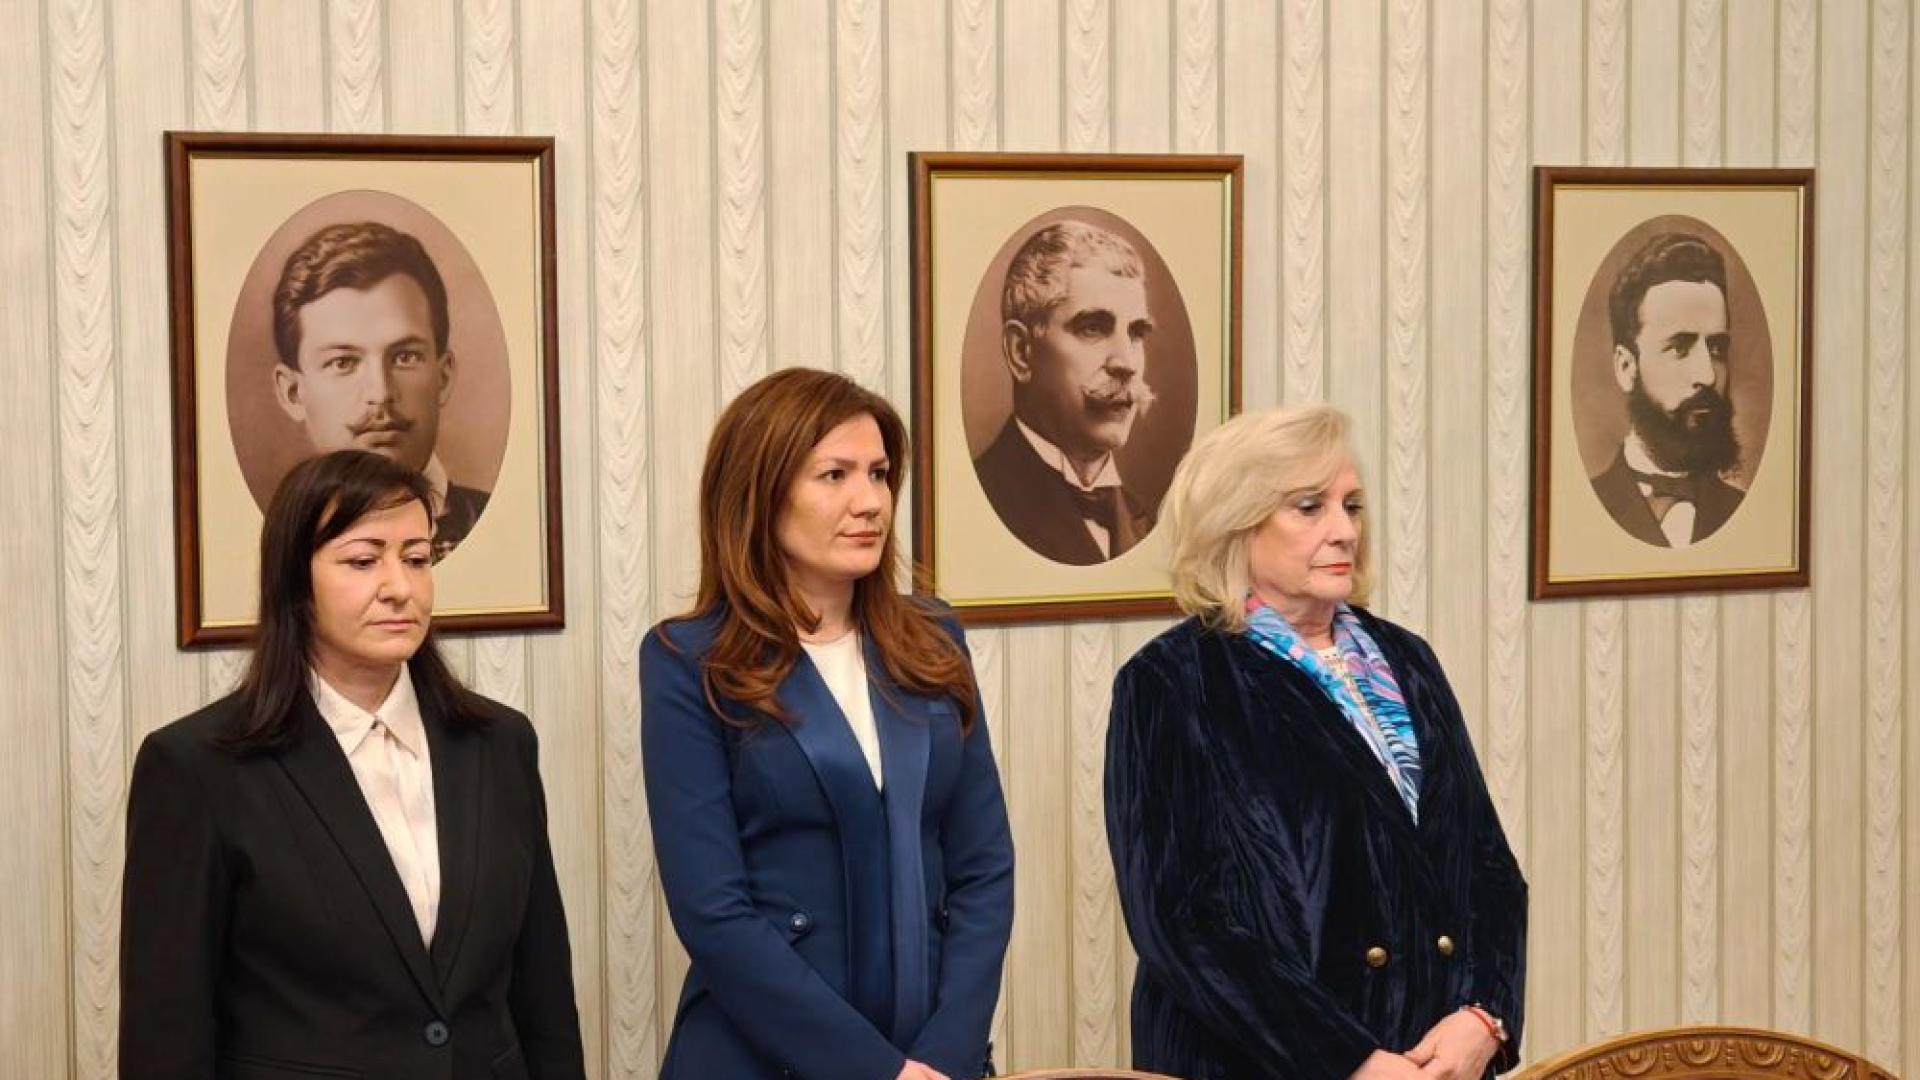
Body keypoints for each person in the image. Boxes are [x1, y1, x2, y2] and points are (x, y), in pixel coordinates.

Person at [121, 450, 584, 1079]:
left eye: (417, 559)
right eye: (363, 561)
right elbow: (165, 1036)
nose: (399, 588)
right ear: (296, 582)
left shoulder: (499, 744)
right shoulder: (197, 768)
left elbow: (543, 994)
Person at [1104, 404, 1527, 1080]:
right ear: (1235, 523)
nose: (1345, 531)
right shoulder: (1172, 682)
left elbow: (1488, 865)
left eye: (1351, 506)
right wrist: (1350, 1060)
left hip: (1433, 1059)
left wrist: (1484, 1018)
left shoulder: (1407, 659)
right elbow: (1180, 921)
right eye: (1309, 508)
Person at [642, 367, 1014, 1080]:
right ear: (760, 493)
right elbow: (713, 912)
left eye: (879, 474)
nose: (869, 502)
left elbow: (984, 868)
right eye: (834, 475)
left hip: (934, 1058)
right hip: (763, 1060)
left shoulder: (934, 638)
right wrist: (878, 1072)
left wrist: (945, 1053)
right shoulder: (689, 660)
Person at [270, 221, 490, 556]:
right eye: (343, 362)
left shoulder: (502, 528)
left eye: (405, 357)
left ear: (443, 377)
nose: (381, 393)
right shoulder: (278, 540)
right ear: (293, 393)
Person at [973, 218, 1160, 566]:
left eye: (1136, 333)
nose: (1126, 363)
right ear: (1021, 352)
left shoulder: (1152, 524)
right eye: (1092, 328)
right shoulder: (977, 503)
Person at [1587, 230, 1747, 548]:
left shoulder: (1744, 511)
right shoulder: (1581, 509)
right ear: (1626, 367)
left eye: (1716, 349)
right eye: (1679, 348)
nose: (1708, 376)